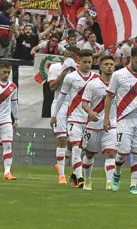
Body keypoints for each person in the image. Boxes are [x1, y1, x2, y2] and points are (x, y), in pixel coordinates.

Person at [104, 45, 137, 194]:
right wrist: (107, 118)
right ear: (131, 59)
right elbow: (109, 96)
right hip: (123, 119)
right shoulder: (118, 75)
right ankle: (117, 174)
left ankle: (133, 185)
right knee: (122, 153)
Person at [51, 49, 97, 188]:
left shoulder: (96, 77)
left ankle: (72, 174)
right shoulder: (66, 75)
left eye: (90, 62)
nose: (88, 64)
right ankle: (68, 176)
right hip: (71, 114)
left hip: (87, 116)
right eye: (85, 62)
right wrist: (54, 115)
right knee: (65, 140)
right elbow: (58, 94)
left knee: (77, 146)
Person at [81, 55, 117, 191]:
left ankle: (109, 183)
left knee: (110, 153)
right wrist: (91, 113)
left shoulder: (117, 84)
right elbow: (84, 103)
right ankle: (87, 180)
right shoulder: (92, 84)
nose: (109, 66)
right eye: (106, 64)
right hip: (93, 125)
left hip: (111, 124)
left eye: (111, 64)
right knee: (89, 154)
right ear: (100, 66)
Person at [48, 53, 76, 184]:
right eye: (67, 56)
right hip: (60, 104)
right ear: (64, 56)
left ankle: (61, 163)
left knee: (74, 140)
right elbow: (52, 87)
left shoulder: (80, 69)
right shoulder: (55, 67)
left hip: (74, 105)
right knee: (61, 138)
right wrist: (64, 72)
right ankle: (61, 175)